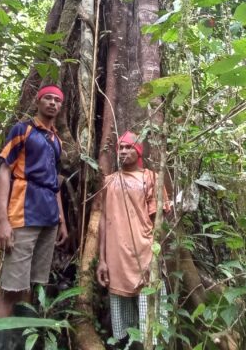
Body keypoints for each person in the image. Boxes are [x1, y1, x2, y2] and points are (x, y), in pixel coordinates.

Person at [0, 85, 69, 349]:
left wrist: (62, 220)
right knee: (10, 288)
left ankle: (19, 344)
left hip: (48, 218)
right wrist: (2, 219)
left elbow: (55, 182)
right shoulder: (22, 130)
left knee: (31, 286)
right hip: (23, 214)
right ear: (38, 100)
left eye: (57, 100)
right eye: (48, 98)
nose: (53, 103)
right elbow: (4, 171)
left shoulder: (57, 140)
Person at [97, 131, 170, 349]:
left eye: (129, 147)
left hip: (145, 253)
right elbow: (103, 219)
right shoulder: (109, 181)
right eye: (120, 148)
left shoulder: (151, 178)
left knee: (151, 316)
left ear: (138, 152)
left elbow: (159, 223)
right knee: (124, 324)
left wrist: (156, 255)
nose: (123, 151)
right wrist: (102, 259)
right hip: (116, 257)